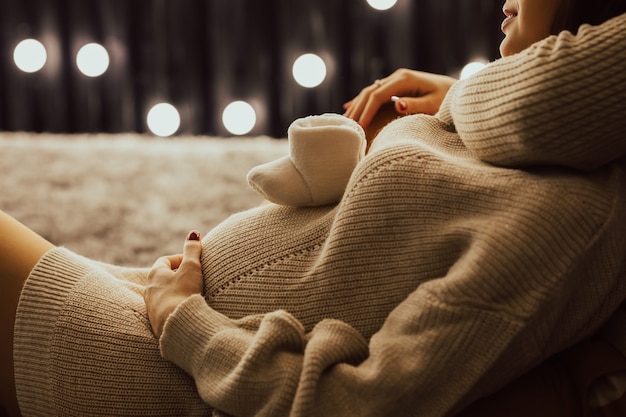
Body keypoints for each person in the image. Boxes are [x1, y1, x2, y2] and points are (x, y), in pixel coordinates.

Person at [2, 1, 626, 417]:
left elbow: (365, 405)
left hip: (171, 379)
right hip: (159, 311)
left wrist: (187, 323)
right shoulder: (528, 150)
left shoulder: (566, 226)